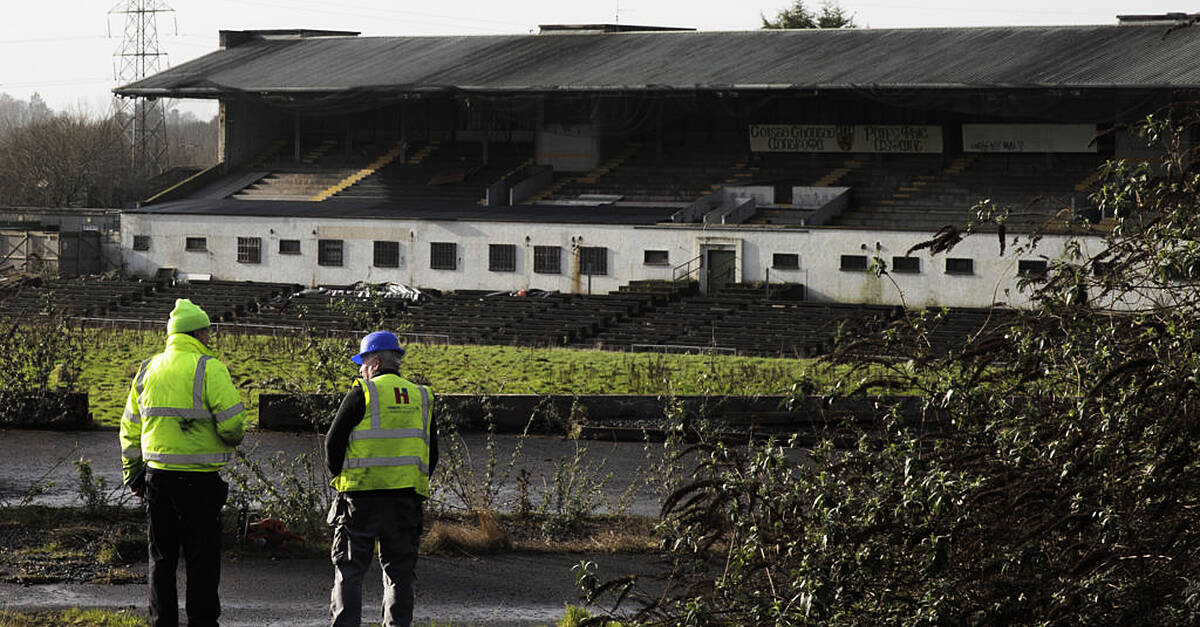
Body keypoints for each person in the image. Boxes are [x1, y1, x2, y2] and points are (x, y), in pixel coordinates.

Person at [119, 298, 247, 627]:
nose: (209, 338)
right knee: (201, 561)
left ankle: (162, 622)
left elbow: (130, 429)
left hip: (158, 480)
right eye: (207, 332)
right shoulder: (209, 368)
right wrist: (224, 439)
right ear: (198, 333)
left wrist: (133, 476)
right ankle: (202, 623)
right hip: (201, 483)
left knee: (161, 559)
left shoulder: (148, 369)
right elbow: (233, 426)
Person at [326, 330, 437, 627]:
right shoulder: (422, 396)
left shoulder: (363, 392)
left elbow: (332, 443)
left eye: (362, 364)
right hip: (404, 500)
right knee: (399, 574)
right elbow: (432, 453)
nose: (360, 370)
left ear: (374, 362)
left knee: (349, 571)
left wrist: (341, 475)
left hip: (360, 498)